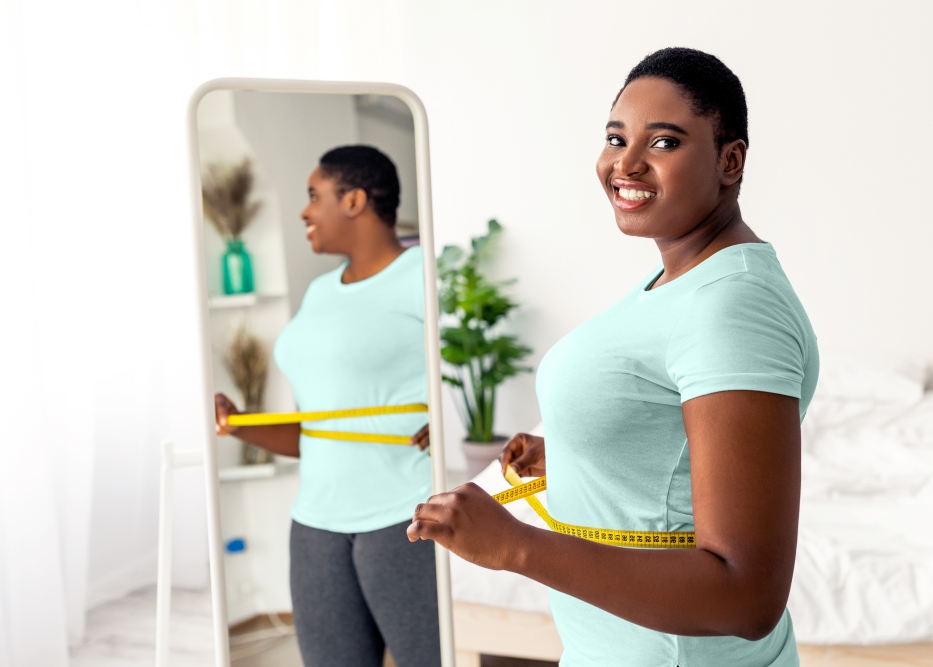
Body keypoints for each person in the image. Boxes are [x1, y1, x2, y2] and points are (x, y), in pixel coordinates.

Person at [408, 48, 819, 667]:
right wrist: (584, 448)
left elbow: (746, 595)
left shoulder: (733, 307)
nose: (625, 163)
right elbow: (669, 442)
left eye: (663, 142)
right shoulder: (680, 278)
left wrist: (515, 546)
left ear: (729, 160)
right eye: (614, 137)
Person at [215, 145, 440, 667]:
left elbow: (466, 380)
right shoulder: (319, 292)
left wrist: (443, 417)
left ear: (355, 199)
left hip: (402, 514)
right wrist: (238, 425)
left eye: (314, 196)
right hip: (315, 522)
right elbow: (316, 431)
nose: (303, 211)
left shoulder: (424, 275)